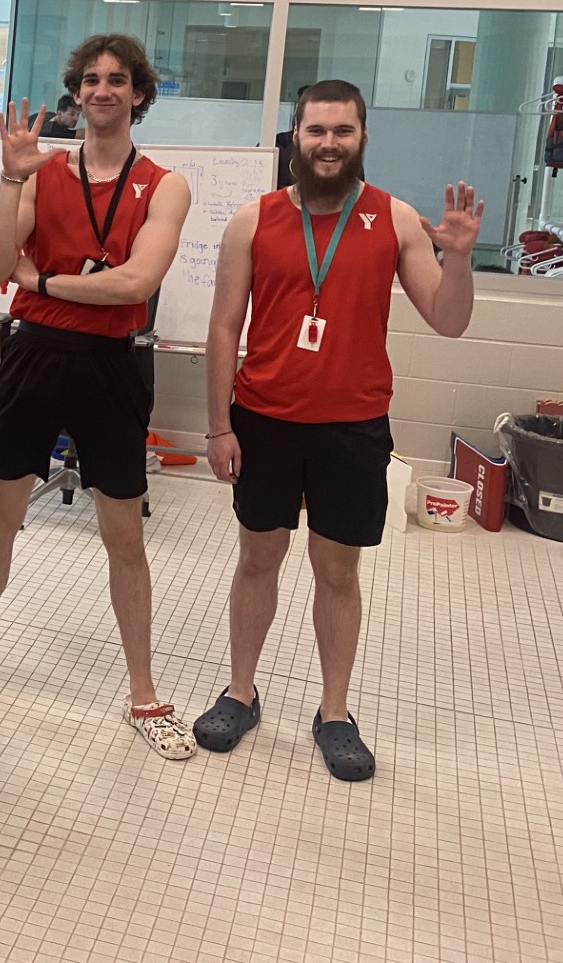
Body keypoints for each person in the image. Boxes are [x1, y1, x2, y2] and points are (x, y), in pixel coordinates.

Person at [194, 80, 480, 781]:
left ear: (362, 137)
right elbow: (224, 327)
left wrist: (462, 257)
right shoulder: (252, 220)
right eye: (316, 131)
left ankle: (334, 712)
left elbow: (449, 320)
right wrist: (217, 427)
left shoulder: (394, 219)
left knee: (338, 571)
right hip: (264, 420)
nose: (328, 144)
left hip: (352, 425)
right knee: (258, 558)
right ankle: (240, 691)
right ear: (295, 137)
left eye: (342, 131)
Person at [0, 35, 198, 763]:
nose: (104, 90)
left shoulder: (164, 183)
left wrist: (45, 281)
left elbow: (134, 284)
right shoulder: (43, 173)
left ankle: (143, 692)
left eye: (118, 80)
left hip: (112, 363)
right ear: (77, 93)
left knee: (125, 537)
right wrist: (12, 182)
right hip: (35, 357)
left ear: (140, 94)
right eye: (91, 79)